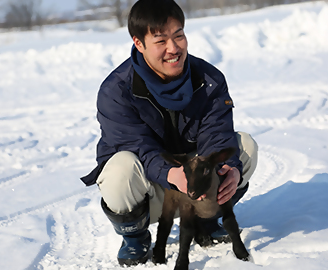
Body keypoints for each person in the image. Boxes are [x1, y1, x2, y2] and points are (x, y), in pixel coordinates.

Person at [80, 0, 258, 266]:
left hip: (193, 183)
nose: (173, 49)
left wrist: (229, 168)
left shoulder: (209, 80)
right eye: (161, 40)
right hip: (150, 190)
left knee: (244, 147)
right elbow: (137, 147)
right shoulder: (116, 91)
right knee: (119, 168)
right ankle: (135, 237)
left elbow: (217, 135)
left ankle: (205, 219)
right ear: (139, 44)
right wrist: (172, 174)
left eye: (179, 36)